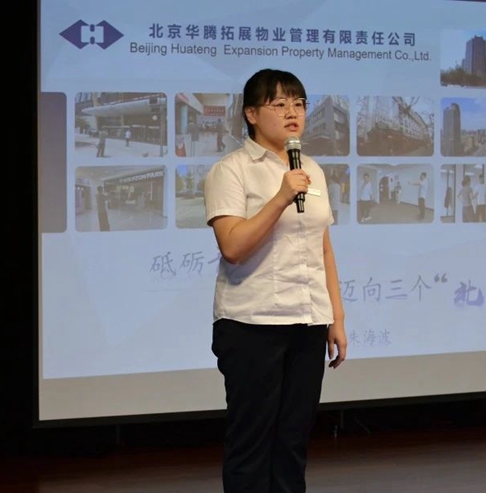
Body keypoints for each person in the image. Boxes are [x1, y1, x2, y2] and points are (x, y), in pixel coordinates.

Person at [203, 68, 347, 493]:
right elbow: (233, 246)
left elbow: (323, 248)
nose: (292, 112)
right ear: (251, 114)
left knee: (292, 442)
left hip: (307, 321)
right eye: (279, 103)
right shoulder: (231, 170)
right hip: (252, 324)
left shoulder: (312, 170)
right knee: (251, 443)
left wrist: (336, 318)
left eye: (299, 103)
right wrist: (281, 197)